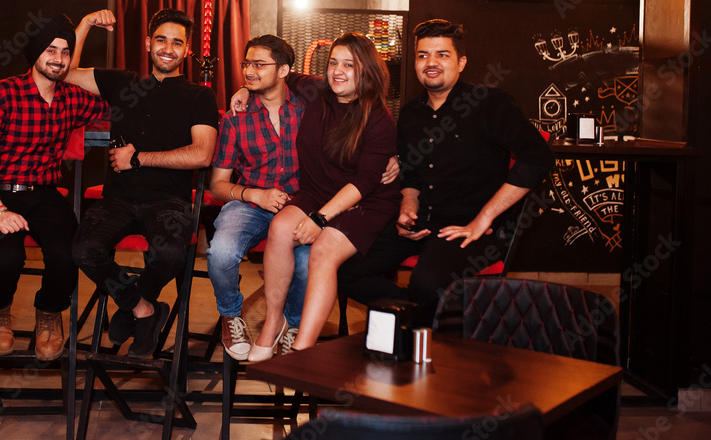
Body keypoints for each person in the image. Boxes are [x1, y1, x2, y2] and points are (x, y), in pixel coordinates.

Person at [338, 19, 555, 326]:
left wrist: (484, 218)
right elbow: (411, 178)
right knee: (343, 269)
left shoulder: (491, 104)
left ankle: (424, 331)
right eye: (424, 55)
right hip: (421, 225)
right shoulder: (411, 114)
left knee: (426, 284)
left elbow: (539, 157)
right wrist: (407, 208)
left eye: (442, 54)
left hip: (473, 230)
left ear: (461, 62)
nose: (431, 63)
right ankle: (422, 315)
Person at [68, 8, 220, 358]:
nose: (168, 48)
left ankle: (131, 305)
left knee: (170, 254)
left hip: (169, 201)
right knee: (82, 249)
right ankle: (143, 309)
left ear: (187, 50)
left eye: (177, 43)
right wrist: (85, 23)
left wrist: (138, 157)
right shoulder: (123, 83)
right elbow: (68, 74)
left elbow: (202, 154)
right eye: (162, 39)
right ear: (149, 43)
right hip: (117, 200)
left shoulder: (200, 96)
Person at [245, 32, 399, 360]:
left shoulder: (378, 118)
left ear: (367, 71)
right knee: (281, 228)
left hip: (365, 202)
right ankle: (273, 323)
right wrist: (244, 89)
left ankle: (303, 351)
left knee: (323, 251)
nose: (337, 71)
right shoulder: (314, 91)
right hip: (317, 191)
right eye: (333, 63)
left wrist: (320, 218)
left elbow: (367, 180)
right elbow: (269, 74)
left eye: (349, 65)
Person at [0, 14, 108, 361]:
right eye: (50, 50)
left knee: (68, 251)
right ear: (34, 53)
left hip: (44, 193)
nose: (58, 58)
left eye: (64, 52)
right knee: (7, 256)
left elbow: (119, 101)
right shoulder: (1, 95)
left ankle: (49, 312)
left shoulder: (73, 99)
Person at [206, 35, 309, 360]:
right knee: (220, 253)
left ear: (283, 70)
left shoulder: (308, 109)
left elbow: (347, 79)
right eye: (246, 64)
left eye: (259, 64)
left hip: (299, 205)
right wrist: (256, 195)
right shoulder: (236, 117)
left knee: (307, 265)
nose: (249, 71)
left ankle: (292, 323)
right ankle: (231, 314)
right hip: (249, 204)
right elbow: (218, 185)